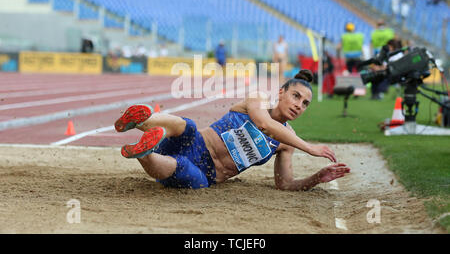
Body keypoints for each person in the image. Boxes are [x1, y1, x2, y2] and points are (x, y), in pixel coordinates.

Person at [114, 69, 350, 190]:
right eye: (295, 96)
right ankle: (141, 120)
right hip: (194, 142)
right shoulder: (256, 100)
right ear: (280, 93)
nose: (299, 105)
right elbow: (264, 125)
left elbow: (285, 184)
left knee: (182, 169)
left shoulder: (287, 142)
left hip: (205, 173)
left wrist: (317, 178)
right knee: (187, 126)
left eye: (305, 103)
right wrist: (310, 148)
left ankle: (143, 151)